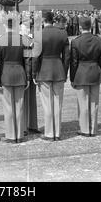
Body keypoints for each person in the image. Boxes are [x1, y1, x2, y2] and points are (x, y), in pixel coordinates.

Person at [32, 11, 70, 141]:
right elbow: (67, 56)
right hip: (58, 69)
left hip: (44, 70)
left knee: (47, 104)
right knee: (58, 103)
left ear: (43, 20)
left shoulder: (39, 35)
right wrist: (64, 72)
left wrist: (34, 73)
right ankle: (57, 132)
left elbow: (35, 57)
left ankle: (49, 132)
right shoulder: (62, 33)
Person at [0, 14, 31, 143]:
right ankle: (19, 135)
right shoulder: (24, 40)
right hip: (20, 74)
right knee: (19, 106)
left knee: (8, 107)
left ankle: (10, 135)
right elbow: (28, 60)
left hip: (6, 75)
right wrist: (28, 77)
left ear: (4, 25)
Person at [70, 16, 101, 136]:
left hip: (81, 73)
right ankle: (93, 128)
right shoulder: (98, 40)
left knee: (83, 103)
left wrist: (72, 78)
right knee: (94, 103)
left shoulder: (76, 41)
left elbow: (74, 62)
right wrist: (99, 70)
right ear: (91, 26)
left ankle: (84, 129)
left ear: (80, 27)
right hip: (95, 71)